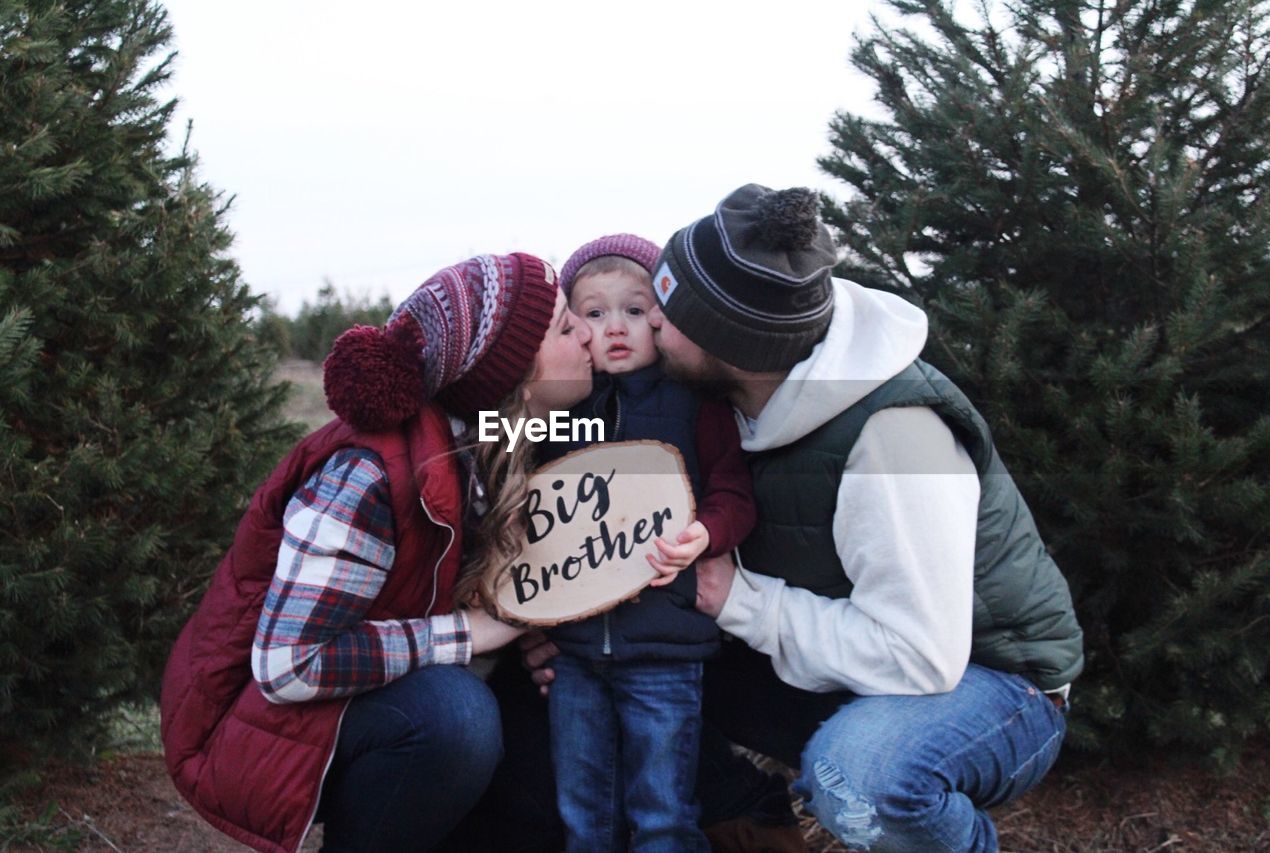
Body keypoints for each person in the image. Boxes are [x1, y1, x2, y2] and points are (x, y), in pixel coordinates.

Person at [529, 185, 1085, 852]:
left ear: (725, 340)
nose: (644, 326)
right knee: (621, 670)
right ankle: (746, 820)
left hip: (991, 682)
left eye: (662, 310)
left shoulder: (894, 437)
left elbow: (920, 656)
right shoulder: (725, 392)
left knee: (859, 773)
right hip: (852, 651)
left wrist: (742, 601)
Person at [160, 253, 592, 853]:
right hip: (261, 728)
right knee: (457, 719)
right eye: (569, 328)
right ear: (514, 378)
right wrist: (471, 634)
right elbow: (289, 664)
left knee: (537, 731)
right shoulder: (370, 475)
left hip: (372, 701)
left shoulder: (492, 439)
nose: (592, 336)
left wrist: (525, 634)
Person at [535, 234, 756, 853]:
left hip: (665, 649)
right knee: (583, 813)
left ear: (661, 314)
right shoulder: (565, 409)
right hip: (575, 649)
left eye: (634, 310)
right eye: (594, 313)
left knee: (662, 810)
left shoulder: (693, 404)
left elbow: (735, 492)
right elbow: (508, 462)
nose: (616, 329)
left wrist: (704, 535)